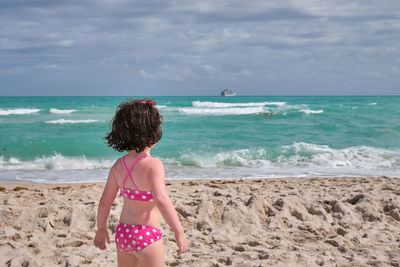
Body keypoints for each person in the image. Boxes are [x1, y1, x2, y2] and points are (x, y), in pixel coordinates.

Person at [94, 99, 188, 267]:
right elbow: (161, 199)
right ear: (153, 134)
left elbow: (105, 202)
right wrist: (179, 232)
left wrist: (101, 229)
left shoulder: (118, 165)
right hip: (147, 235)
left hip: (123, 233)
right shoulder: (153, 165)